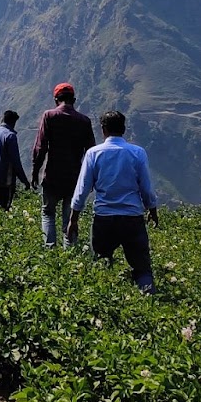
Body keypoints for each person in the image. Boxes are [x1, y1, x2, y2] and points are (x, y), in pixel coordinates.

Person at [67, 110, 159, 293]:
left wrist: (73, 219)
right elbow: (146, 187)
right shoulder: (137, 153)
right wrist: (152, 209)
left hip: (104, 219)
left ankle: (105, 302)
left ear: (103, 129)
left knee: (101, 264)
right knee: (141, 267)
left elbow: (82, 190)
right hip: (132, 218)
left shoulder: (93, 154)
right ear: (123, 129)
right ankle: (150, 297)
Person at [32, 82, 94, 246]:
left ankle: (50, 250)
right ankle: (70, 253)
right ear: (74, 100)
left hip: (52, 176)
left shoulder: (49, 116)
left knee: (48, 213)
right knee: (69, 217)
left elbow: (40, 148)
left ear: (55, 100)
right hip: (74, 178)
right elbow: (91, 153)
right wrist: (91, 179)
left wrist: (35, 172)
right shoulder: (84, 121)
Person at [0, 110, 32, 209]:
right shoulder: (10, 136)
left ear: (2, 119)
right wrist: (24, 181)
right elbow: (15, 162)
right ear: (14, 123)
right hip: (4, 180)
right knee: (4, 208)